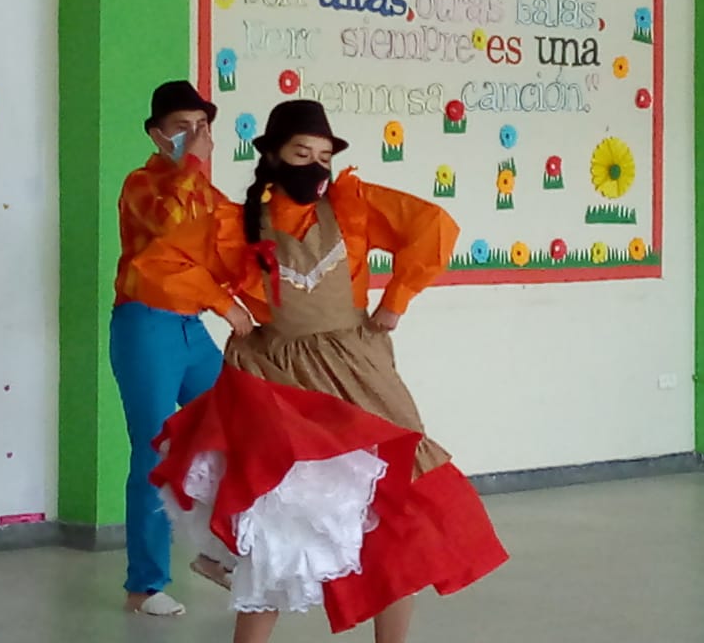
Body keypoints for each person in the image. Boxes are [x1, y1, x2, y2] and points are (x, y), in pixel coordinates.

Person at [132, 99, 508, 643]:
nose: (314, 166)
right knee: (278, 519)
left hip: (357, 372)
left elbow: (433, 226)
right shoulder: (239, 225)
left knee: (393, 506)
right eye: (301, 153)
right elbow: (159, 262)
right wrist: (225, 305)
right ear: (273, 156)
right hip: (280, 377)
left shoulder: (353, 207)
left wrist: (396, 300)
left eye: (324, 157)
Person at [111, 80, 236, 617]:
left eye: (202, 126)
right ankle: (144, 586)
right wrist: (192, 164)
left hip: (191, 327)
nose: (195, 136)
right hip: (145, 324)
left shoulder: (205, 192)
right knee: (154, 450)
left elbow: (235, 239)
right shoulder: (141, 184)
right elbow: (166, 227)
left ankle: (216, 554)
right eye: (182, 127)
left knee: (237, 426)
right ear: (157, 135)